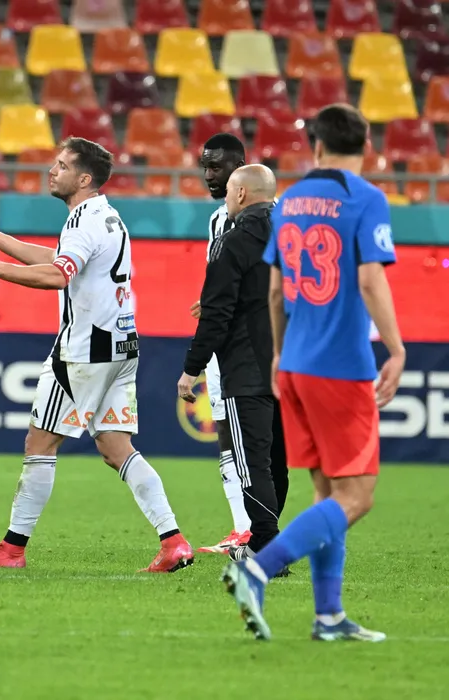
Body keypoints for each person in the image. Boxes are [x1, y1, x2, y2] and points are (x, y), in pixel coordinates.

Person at [0, 137, 194, 573]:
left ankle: (12, 549)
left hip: (83, 352)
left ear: (84, 179)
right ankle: (173, 541)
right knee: (116, 447)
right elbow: (59, 258)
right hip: (120, 347)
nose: (52, 170)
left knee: (40, 442)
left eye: (63, 166)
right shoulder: (105, 216)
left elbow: (58, 275)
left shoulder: (84, 221)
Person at [222, 104, 402, 642]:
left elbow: (277, 291)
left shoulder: (292, 200)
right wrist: (396, 348)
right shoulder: (365, 198)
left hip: (295, 363)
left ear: (317, 146)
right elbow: (370, 280)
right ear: (365, 146)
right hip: (340, 365)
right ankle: (257, 569)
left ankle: (329, 616)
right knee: (358, 497)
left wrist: (279, 355)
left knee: (329, 497)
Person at [178, 165, 288, 568]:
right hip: (292, 367)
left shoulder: (233, 240)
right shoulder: (296, 236)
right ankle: (268, 540)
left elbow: (217, 314)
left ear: (241, 194)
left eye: (228, 192)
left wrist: (191, 368)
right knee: (277, 461)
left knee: (251, 462)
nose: (225, 198)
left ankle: (265, 546)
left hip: (248, 368)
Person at [192, 133, 252, 554]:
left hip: (254, 344)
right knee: (226, 432)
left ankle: (259, 529)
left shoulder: (271, 217)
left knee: (255, 438)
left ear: (240, 169)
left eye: (217, 167)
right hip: (221, 342)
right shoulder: (217, 220)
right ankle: (242, 527)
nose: (209, 175)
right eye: (206, 167)